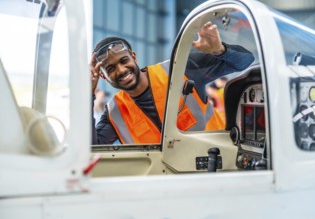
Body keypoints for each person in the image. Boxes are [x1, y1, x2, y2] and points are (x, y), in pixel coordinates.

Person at [90, 21, 254, 144]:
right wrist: (87, 94)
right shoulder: (114, 113)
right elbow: (92, 148)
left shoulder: (179, 69)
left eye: (124, 60)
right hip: (166, 184)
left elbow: (244, 61)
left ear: (133, 57)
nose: (120, 70)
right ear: (103, 76)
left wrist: (220, 50)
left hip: (216, 165)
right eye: (110, 68)